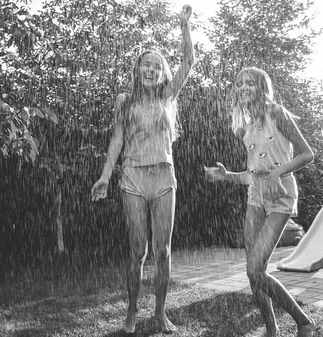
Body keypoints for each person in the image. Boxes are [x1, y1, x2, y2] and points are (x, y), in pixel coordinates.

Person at [90, 4, 194, 334]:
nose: (150, 69)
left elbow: (189, 63)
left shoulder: (167, 95)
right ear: (138, 70)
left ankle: (160, 313)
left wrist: (184, 27)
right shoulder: (125, 100)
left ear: (162, 72)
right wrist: (106, 176)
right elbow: (117, 140)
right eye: (145, 64)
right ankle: (132, 311)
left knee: (163, 252)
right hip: (132, 178)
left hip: (164, 177)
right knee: (137, 250)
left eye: (155, 65)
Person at [205, 67, 315, 337]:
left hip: (280, 195)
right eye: (240, 84)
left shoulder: (276, 112)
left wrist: (278, 172)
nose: (244, 88)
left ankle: (303, 322)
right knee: (253, 271)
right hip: (256, 196)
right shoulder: (247, 125)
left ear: (261, 87)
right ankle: (271, 329)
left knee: (255, 269)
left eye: (250, 83)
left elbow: (307, 154)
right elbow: (253, 174)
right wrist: (227, 176)